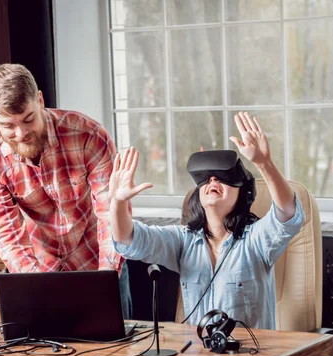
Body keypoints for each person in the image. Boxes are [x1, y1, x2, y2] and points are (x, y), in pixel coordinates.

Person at [109, 112, 305, 330]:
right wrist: (117, 201)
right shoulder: (183, 241)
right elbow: (127, 239)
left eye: (223, 178)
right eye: (207, 179)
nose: (213, 181)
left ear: (244, 194)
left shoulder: (256, 240)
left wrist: (264, 163)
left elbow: (287, 213)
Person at [0, 63, 132, 319]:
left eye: (28, 119)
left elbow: (110, 214)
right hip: (37, 270)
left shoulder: (88, 136)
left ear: (40, 99)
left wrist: (105, 280)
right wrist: (41, 289)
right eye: (8, 125)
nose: (21, 133)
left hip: (98, 260)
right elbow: (6, 236)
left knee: (117, 353)